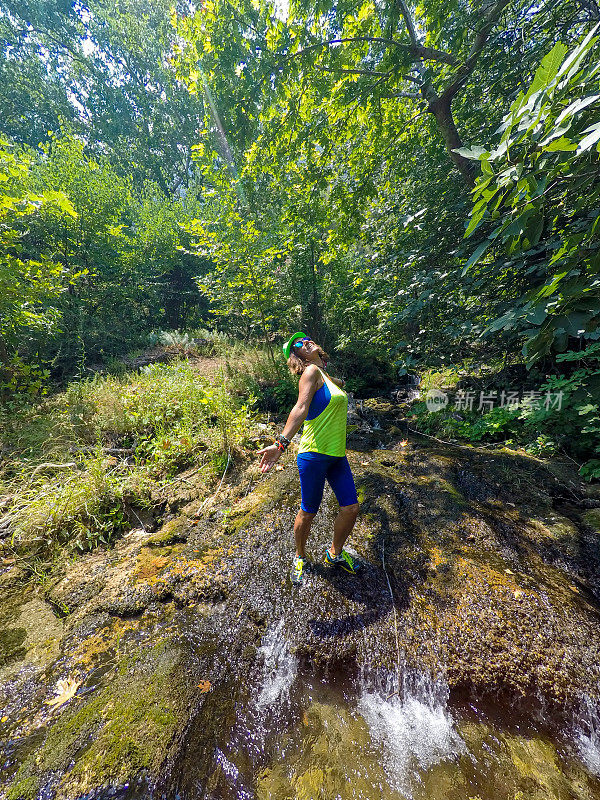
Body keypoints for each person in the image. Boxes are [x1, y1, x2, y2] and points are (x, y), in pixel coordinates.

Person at [257, 332, 361, 584]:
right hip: (313, 454)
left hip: (337, 455)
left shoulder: (323, 375)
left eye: (307, 338)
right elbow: (300, 407)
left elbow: (337, 386)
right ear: (298, 356)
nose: (305, 341)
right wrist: (280, 444)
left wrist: (335, 378)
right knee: (309, 511)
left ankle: (334, 553)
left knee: (351, 508)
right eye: (298, 344)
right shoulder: (310, 373)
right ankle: (300, 556)